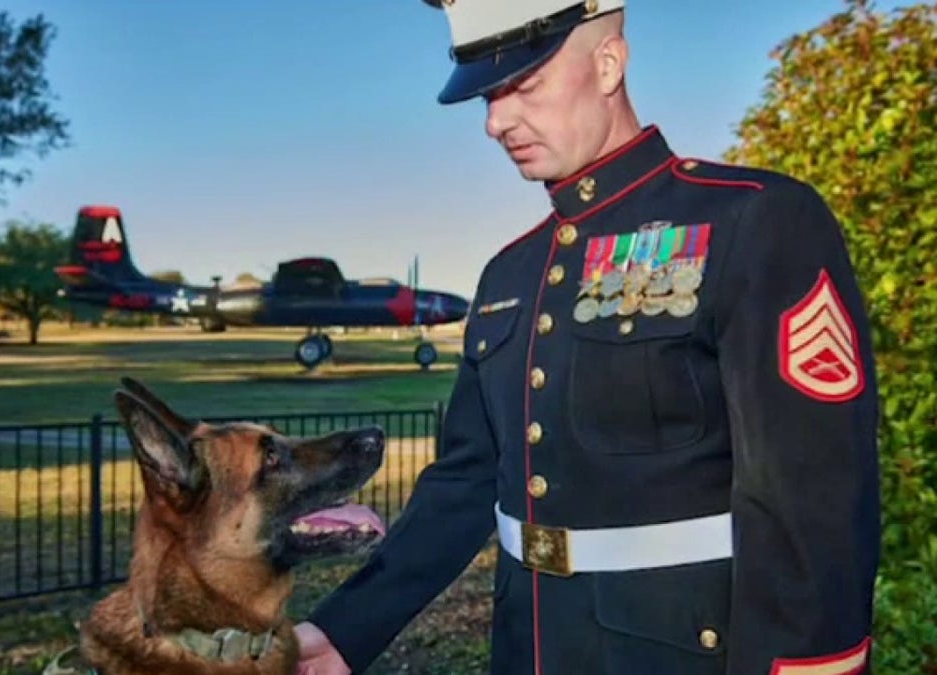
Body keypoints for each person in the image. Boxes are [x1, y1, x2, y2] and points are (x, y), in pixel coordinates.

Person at [293, 1, 881, 674]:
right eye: (489, 95)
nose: (494, 122)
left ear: (608, 64)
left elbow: (811, 507)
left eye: (522, 85)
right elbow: (465, 479)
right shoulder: (510, 273)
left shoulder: (754, 221)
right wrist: (345, 628)